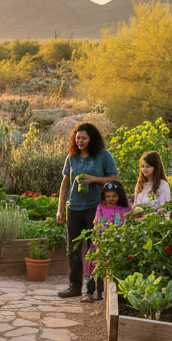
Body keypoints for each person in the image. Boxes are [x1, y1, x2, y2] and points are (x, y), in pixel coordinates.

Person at [56, 122, 118, 298]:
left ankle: (97, 288)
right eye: (77, 138)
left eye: (84, 138)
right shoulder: (72, 158)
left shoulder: (103, 156)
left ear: (92, 139)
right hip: (74, 207)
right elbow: (65, 183)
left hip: (95, 207)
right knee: (73, 248)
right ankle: (74, 287)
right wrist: (60, 208)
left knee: (95, 247)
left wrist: (94, 179)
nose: (80, 141)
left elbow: (114, 179)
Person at [83, 181, 129, 302]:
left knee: (105, 268)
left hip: (114, 244)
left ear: (119, 196)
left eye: (114, 196)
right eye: (108, 196)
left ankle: (101, 293)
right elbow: (97, 223)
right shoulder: (101, 207)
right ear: (104, 196)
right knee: (94, 267)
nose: (111, 199)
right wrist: (96, 238)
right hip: (99, 242)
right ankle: (89, 292)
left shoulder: (124, 210)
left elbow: (128, 223)